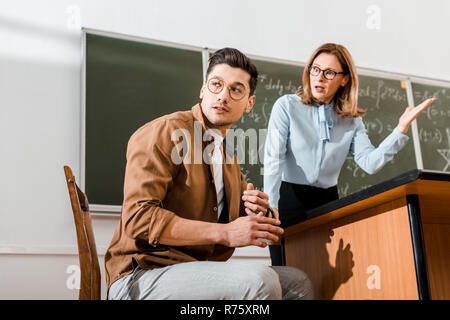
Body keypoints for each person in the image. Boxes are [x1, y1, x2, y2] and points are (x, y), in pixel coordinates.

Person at [105, 47, 313, 300]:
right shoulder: (165, 132)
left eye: (236, 89)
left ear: (249, 103)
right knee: (260, 281)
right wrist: (225, 233)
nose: (223, 96)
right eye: (216, 85)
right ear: (203, 90)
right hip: (140, 275)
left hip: (193, 270)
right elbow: (138, 219)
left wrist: (260, 212)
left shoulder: (227, 155)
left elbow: (237, 215)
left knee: (297, 281)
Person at [264, 43, 435, 266]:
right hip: (288, 199)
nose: (320, 77)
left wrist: (399, 130)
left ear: (344, 79)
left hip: (327, 202)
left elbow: (369, 163)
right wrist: (270, 208)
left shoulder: (351, 120)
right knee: (285, 274)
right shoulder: (286, 106)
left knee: (324, 277)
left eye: (329, 73)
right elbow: (273, 160)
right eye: (315, 69)